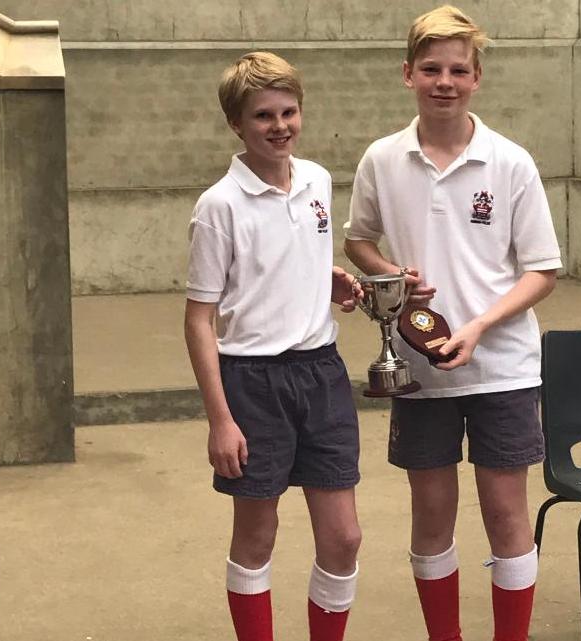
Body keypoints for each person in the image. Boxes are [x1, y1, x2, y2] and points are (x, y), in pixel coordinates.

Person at [344, 6, 561, 641]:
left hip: (503, 368)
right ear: (407, 73)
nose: (445, 80)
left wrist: (479, 327)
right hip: (419, 372)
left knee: (504, 512)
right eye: (432, 68)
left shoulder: (511, 163)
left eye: (459, 69)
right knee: (432, 514)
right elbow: (359, 241)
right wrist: (393, 274)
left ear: (477, 78)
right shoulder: (382, 159)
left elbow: (542, 270)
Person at [185, 51, 363, 641]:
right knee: (258, 535)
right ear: (237, 124)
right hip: (252, 383)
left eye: (289, 111)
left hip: (323, 374)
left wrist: (328, 277)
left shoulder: (315, 181)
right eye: (263, 115)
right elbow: (200, 319)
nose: (279, 125)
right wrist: (220, 420)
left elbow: (291, 255)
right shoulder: (218, 207)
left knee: (344, 538)